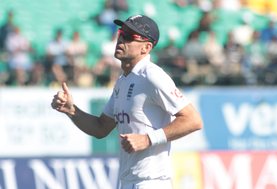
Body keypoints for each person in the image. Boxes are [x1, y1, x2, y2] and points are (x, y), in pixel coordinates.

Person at [51, 15, 203, 189]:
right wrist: (71, 110)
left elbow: (193, 120)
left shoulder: (152, 76)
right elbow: (101, 128)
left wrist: (148, 139)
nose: (121, 39)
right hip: (128, 182)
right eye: (121, 33)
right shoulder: (122, 81)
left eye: (129, 36)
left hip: (151, 182)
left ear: (146, 47)